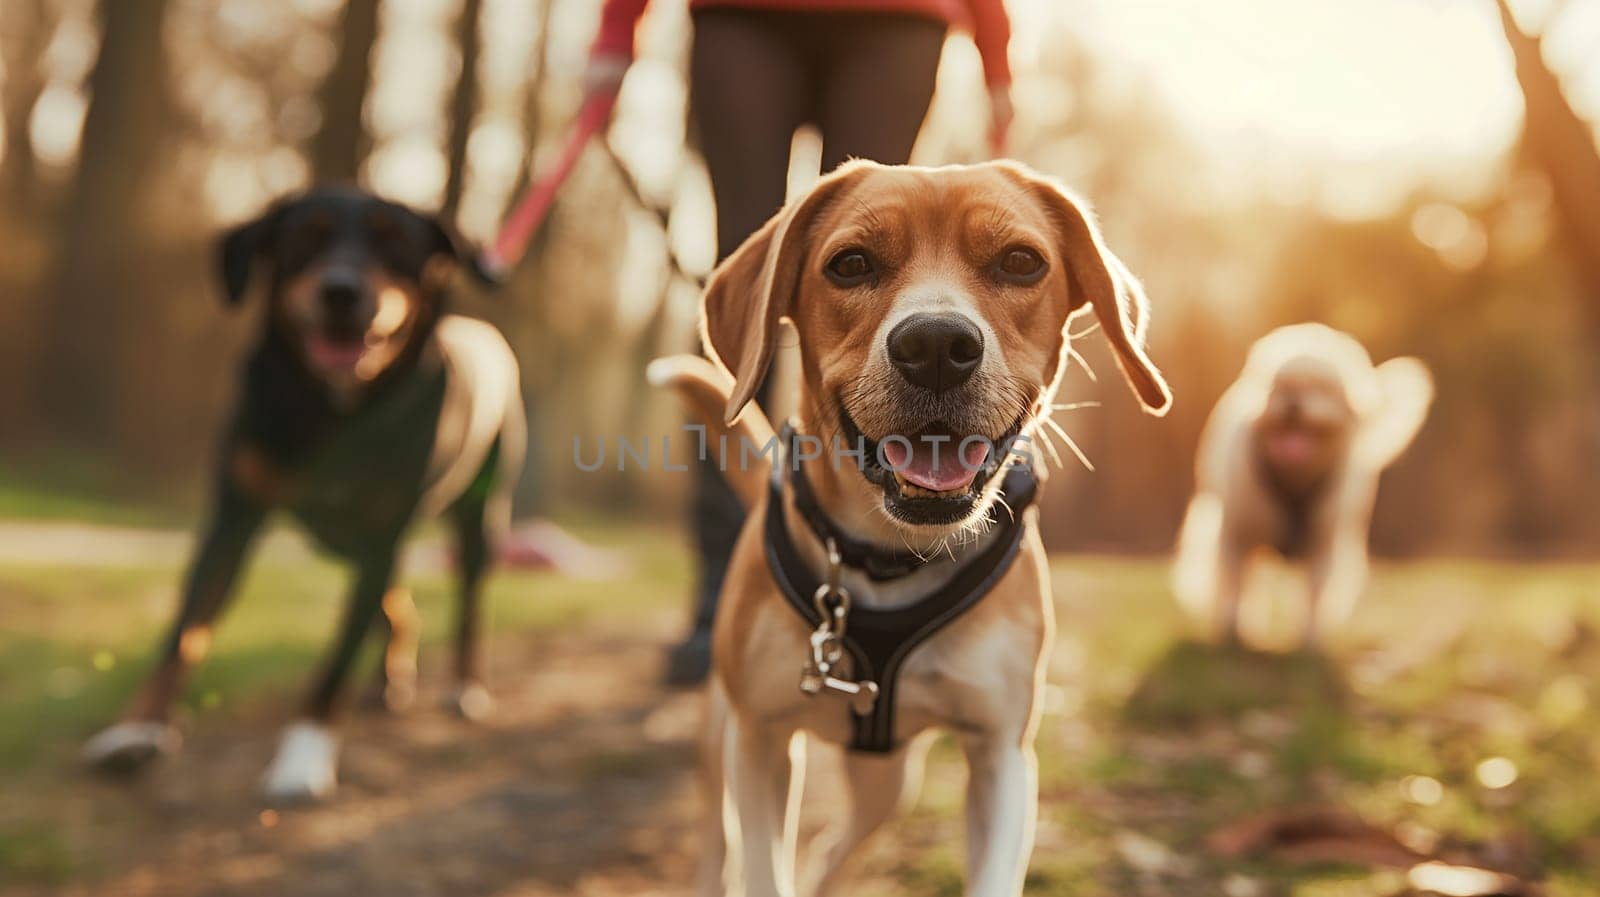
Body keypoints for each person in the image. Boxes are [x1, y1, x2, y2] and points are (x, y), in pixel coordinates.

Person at [585, 0, 1015, 684]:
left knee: (885, 268)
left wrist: (997, 53)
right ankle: (727, 588)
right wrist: (615, 31)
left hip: (899, 17)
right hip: (743, 14)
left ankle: (887, 585)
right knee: (749, 280)